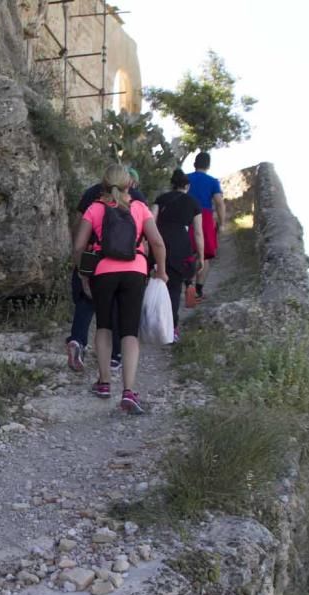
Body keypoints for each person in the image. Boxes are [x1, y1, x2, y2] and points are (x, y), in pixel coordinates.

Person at [74, 164, 167, 414]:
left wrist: (84, 277)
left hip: (103, 272)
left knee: (103, 326)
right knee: (129, 332)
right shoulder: (139, 208)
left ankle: (104, 383)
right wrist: (161, 271)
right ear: (130, 185)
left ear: (103, 185)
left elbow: (79, 246)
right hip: (135, 271)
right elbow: (157, 242)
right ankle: (128, 391)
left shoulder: (94, 208)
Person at [65, 168, 148, 372]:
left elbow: (77, 226)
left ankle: (77, 341)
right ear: (129, 182)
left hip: (94, 257)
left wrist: (80, 265)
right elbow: (145, 232)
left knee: (86, 301)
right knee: (118, 308)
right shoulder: (135, 198)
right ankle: (116, 355)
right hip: (130, 260)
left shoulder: (91, 195)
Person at [152, 169, 204, 342]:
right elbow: (198, 233)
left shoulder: (161, 200)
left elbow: (151, 221)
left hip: (159, 243)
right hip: (181, 247)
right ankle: (171, 329)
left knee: (155, 284)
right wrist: (201, 257)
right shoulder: (193, 203)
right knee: (174, 289)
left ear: (172, 184)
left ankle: (150, 321)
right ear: (187, 186)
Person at [186, 152, 225, 300]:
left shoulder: (186, 179)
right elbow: (219, 203)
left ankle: (187, 283)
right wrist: (222, 224)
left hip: (187, 215)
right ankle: (198, 290)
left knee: (187, 253)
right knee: (205, 255)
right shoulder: (212, 181)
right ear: (208, 165)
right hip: (205, 217)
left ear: (195, 164)